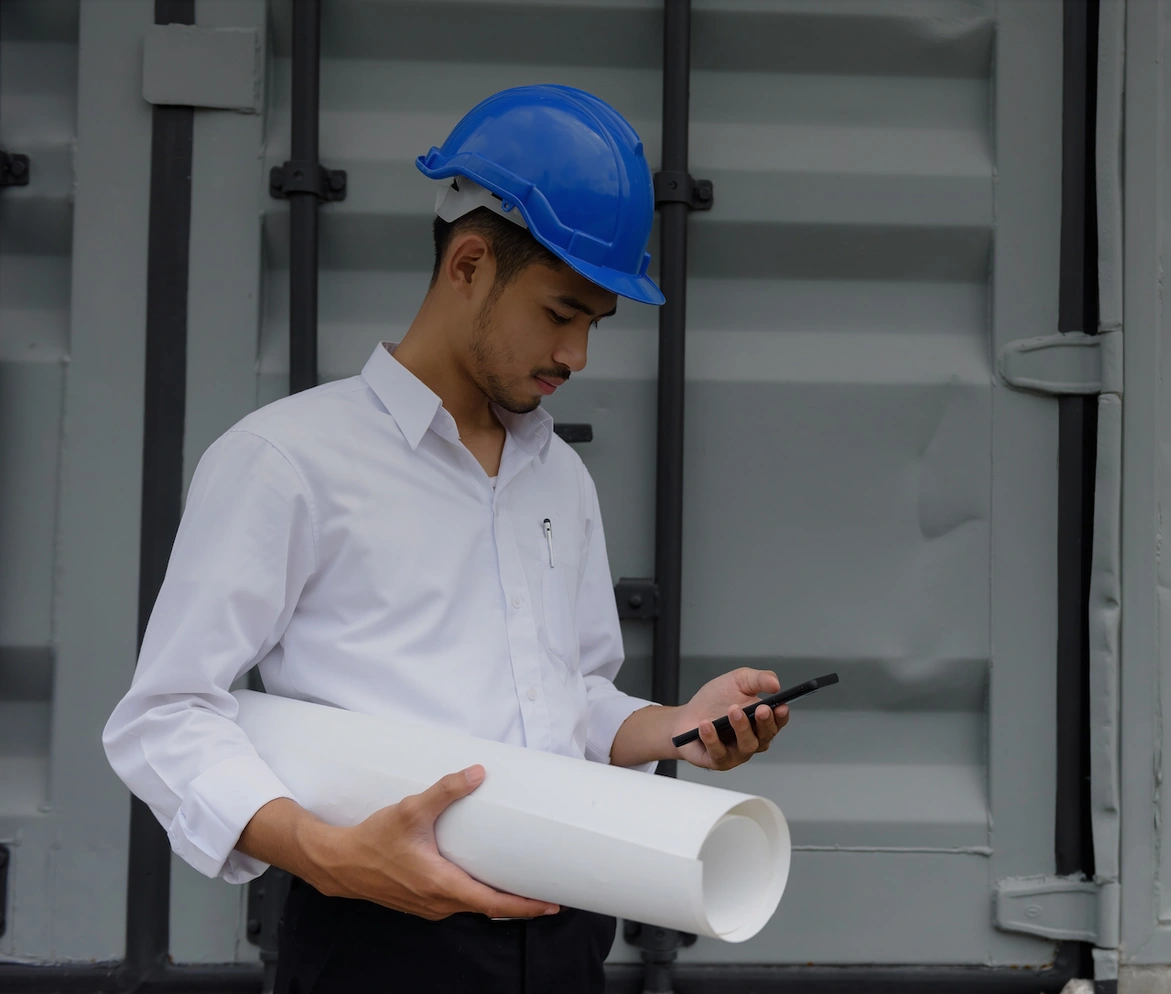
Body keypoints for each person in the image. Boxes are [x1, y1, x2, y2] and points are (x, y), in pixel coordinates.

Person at [101, 85, 781, 994]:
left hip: (567, 931)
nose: (577, 356)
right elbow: (165, 713)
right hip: (379, 942)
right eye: (561, 313)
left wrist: (678, 727)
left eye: (594, 324)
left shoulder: (558, 477)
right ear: (469, 264)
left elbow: (570, 698)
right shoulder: (286, 460)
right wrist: (331, 856)